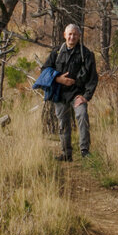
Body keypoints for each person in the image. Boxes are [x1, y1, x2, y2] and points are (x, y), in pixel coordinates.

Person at [42, 23, 99, 160]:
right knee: (63, 123)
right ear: (64, 35)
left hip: (77, 94)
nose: (72, 37)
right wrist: (58, 79)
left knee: (82, 116)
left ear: (79, 36)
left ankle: (85, 151)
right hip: (60, 94)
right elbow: (45, 70)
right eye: (70, 34)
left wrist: (85, 97)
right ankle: (66, 154)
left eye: (75, 34)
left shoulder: (86, 54)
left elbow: (93, 78)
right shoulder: (56, 52)